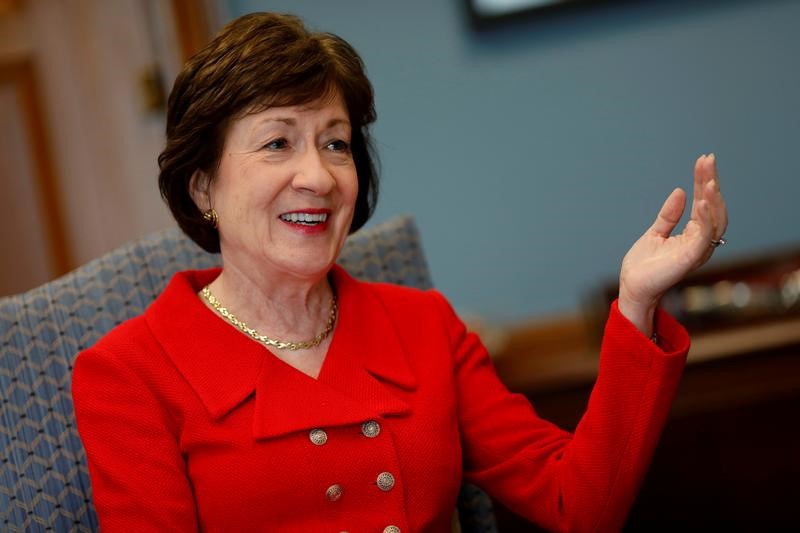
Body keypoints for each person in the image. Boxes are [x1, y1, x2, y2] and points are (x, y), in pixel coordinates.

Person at [71, 12, 728, 533]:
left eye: (336, 143)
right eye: (278, 142)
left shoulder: (423, 326)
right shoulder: (128, 374)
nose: (319, 176)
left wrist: (636, 301)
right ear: (202, 186)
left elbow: (577, 501)